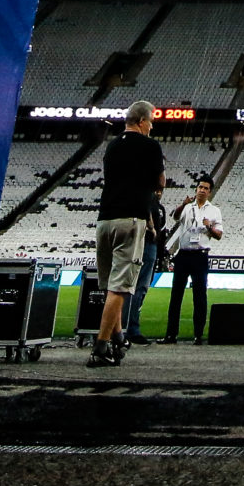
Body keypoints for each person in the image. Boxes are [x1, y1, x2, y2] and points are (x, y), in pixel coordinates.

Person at [90, 100, 164, 366]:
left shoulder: (112, 145)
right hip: (130, 220)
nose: (152, 126)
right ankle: (100, 347)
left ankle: (118, 337)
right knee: (120, 287)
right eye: (151, 122)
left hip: (104, 220)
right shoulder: (150, 146)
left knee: (111, 285)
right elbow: (160, 181)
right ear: (142, 121)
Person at [163, 174, 225, 343]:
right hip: (183, 254)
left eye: (205, 188)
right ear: (196, 189)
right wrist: (183, 204)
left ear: (209, 192)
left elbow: (219, 235)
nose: (202, 190)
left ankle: (198, 334)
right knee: (176, 295)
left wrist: (209, 227)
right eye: (200, 187)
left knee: (199, 296)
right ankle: (171, 334)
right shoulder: (188, 207)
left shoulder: (214, 211)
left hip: (200, 255)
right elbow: (175, 217)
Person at [125, 189, 166, 344]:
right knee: (139, 287)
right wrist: (151, 226)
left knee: (135, 287)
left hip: (146, 245)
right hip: (146, 244)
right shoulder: (148, 199)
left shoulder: (157, 205)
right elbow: (144, 210)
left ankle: (125, 326)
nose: (159, 192)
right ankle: (132, 328)